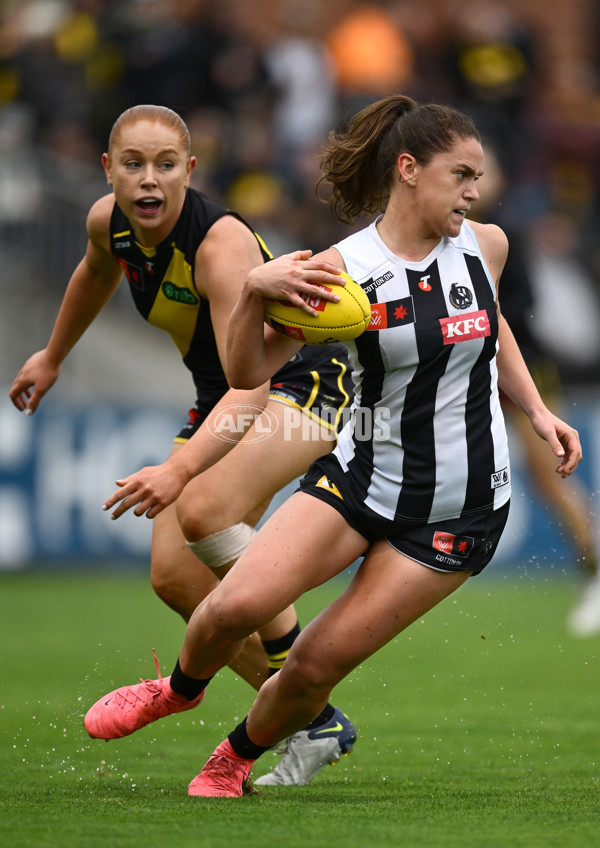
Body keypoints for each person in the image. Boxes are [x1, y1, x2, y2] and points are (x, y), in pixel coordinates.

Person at [81, 95, 582, 798]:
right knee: (231, 610)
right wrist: (255, 290)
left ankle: (235, 755)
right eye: (461, 175)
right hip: (360, 481)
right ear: (409, 170)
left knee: (312, 664)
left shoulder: (486, 245)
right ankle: (179, 690)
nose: (475, 191)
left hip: (456, 515)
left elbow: (492, 328)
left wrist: (534, 409)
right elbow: (248, 373)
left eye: (477, 177)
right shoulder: (339, 270)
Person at [8, 104, 357, 785]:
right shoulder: (105, 223)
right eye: (132, 165)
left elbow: (252, 386)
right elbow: (93, 274)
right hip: (219, 398)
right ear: (107, 170)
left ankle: (294, 686)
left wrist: (180, 469)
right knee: (176, 577)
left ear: (189, 171)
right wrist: (52, 355)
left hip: (299, 386)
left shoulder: (218, 247)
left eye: (165, 165)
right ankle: (313, 717)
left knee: (203, 507)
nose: (149, 180)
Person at [473, 143, 600, 637]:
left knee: (551, 475)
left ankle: (593, 571)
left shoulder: (504, 237)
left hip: (517, 363)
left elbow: (520, 310)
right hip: (467, 366)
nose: (476, 183)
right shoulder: (440, 236)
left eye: (483, 171)